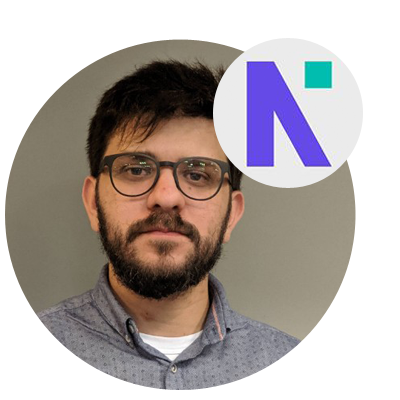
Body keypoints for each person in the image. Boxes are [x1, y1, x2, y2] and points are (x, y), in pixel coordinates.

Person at [4, 60, 333, 391]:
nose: (165, 197)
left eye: (197, 174)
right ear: (93, 203)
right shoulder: (12, 366)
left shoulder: (298, 376)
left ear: (231, 215)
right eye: (136, 169)